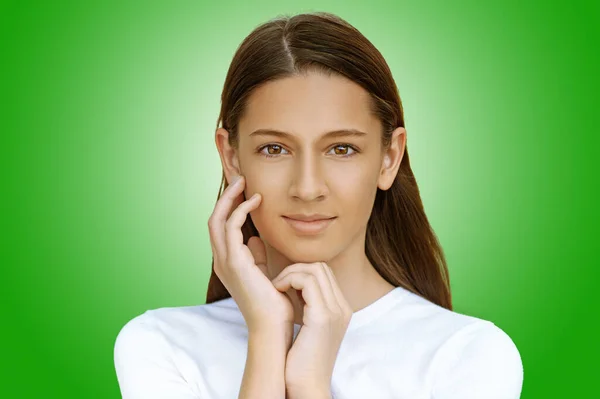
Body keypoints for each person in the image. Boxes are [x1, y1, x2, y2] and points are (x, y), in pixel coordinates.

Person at [114, 11, 523, 399]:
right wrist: (267, 338)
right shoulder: (160, 344)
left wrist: (310, 384)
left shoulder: (470, 355)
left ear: (389, 158)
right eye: (274, 148)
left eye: (341, 149)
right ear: (232, 157)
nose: (307, 188)